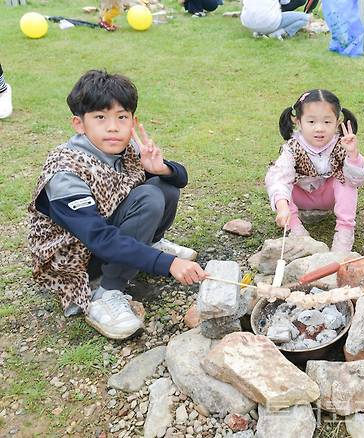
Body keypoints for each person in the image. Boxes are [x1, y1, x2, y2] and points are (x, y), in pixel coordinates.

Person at [27, 70, 207, 340]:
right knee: (149, 198)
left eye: (121, 117)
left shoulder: (124, 148)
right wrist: (168, 264)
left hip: (104, 237)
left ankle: (147, 244)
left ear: (132, 121)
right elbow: (98, 237)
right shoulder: (66, 171)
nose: (113, 127)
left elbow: (179, 180)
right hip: (76, 259)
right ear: (79, 124)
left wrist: (162, 168)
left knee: (164, 187)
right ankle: (106, 291)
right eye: (100, 117)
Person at [265, 89, 364, 252]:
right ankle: (295, 228)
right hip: (301, 197)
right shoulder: (292, 147)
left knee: (346, 179)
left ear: (337, 121)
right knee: (278, 175)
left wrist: (353, 155)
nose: (319, 128)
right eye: (311, 122)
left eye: (327, 122)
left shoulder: (341, 144)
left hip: (328, 197)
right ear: (298, 122)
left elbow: (358, 180)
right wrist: (282, 206)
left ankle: (345, 231)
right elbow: (279, 178)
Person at [240, 0, 310, 39]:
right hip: (269, 21)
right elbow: (285, 2)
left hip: (248, 23)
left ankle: (259, 32)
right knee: (306, 18)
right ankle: (280, 33)